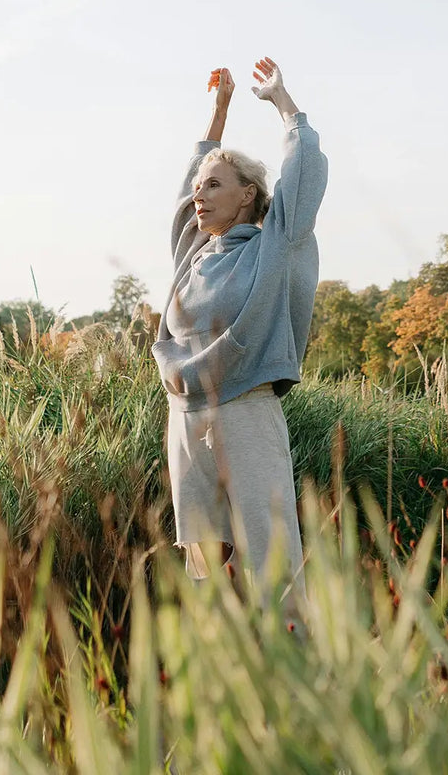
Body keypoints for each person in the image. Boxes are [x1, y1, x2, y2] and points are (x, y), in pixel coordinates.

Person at [152, 57, 328, 611]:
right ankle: (223, 671)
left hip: (246, 410)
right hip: (186, 412)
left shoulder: (273, 245)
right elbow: (190, 180)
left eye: (215, 186)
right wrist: (219, 112)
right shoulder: (193, 250)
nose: (198, 196)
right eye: (199, 187)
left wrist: (284, 104)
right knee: (202, 560)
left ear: (248, 194)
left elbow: (304, 177)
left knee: (269, 554)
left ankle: (293, 666)